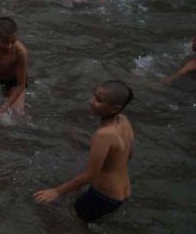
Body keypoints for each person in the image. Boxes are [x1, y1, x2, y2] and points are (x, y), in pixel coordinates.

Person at [33, 80, 135, 224]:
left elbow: (90, 175)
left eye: (99, 100)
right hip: (123, 192)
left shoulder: (104, 134)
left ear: (115, 108)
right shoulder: (124, 121)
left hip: (103, 195)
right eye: (94, 96)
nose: (91, 102)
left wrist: (56, 191)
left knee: (71, 225)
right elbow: (129, 154)